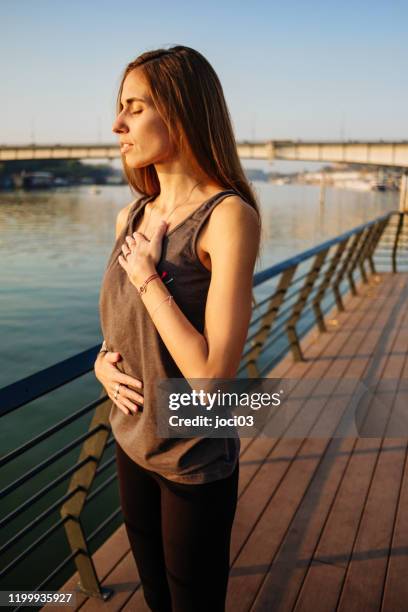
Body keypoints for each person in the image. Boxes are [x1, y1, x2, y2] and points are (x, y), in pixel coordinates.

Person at [95, 45, 262, 612]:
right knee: (155, 598)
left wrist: (147, 277)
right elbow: (120, 325)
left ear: (182, 109)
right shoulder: (131, 215)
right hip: (132, 439)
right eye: (120, 107)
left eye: (134, 107)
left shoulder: (228, 216)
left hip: (192, 455)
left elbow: (214, 381)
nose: (117, 124)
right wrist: (102, 360)